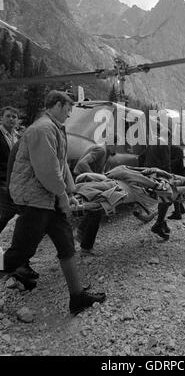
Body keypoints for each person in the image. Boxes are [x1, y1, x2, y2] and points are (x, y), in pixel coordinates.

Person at [2, 90, 106, 315]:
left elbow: (62, 165)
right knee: (18, 253)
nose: (70, 114)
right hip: (35, 200)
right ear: (57, 105)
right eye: (69, 108)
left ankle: (77, 297)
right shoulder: (43, 129)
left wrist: (71, 191)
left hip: (48, 200)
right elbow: (47, 172)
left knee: (66, 244)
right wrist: (63, 197)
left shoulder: (56, 129)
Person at [73, 138, 117, 256]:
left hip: (86, 180)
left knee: (93, 210)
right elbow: (82, 164)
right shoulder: (101, 150)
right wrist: (94, 178)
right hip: (82, 180)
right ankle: (86, 247)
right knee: (96, 210)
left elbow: (99, 171)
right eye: (117, 146)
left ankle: (81, 233)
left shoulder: (105, 151)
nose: (117, 150)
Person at [0, 106, 20, 234]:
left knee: (9, 211)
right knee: (10, 209)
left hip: (15, 179)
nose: (11, 119)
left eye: (14, 117)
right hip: (1, 179)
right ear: (1, 118)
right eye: (8, 116)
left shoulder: (18, 136)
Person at [167, 144, 185, 220]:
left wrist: (165, 164)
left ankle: (177, 213)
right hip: (179, 172)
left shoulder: (176, 149)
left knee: (174, 192)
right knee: (176, 192)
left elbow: (177, 161)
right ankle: (180, 209)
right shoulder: (177, 148)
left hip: (178, 173)